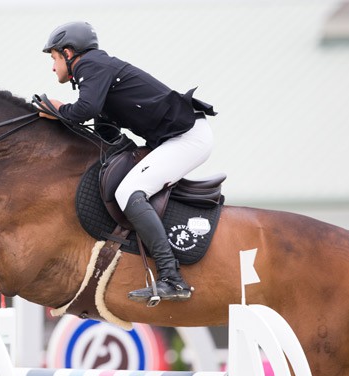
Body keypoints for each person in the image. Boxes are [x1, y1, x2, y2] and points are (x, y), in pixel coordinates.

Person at [39, 21, 216, 305]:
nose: (52, 67)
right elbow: (105, 131)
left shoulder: (91, 64)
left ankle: (172, 278)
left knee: (128, 191)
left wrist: (58, 109)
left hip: (188, 138)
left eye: (54, 58)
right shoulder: (98, 73)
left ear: (69, 53)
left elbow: (84, 110)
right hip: (179, 137)